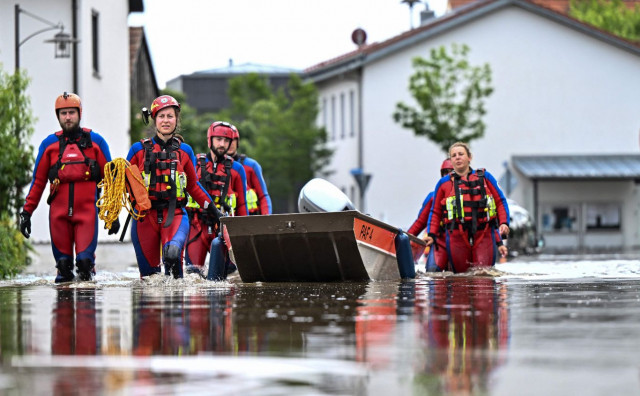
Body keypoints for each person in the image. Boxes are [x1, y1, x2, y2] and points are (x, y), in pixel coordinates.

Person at [19, 92, 117, 283]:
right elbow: (38, 182)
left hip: (86, 215)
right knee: (64, 269)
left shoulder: (96, 142)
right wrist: (26, 212)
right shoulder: (49, 145)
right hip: (59, 218)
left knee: (85, 264)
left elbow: (112, 181)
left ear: (79, 114)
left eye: (71, 112)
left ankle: (86, 307)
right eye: (63, 113)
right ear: (58, 116)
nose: (68, 117)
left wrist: (113, 215)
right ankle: (63, 309)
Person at [126, 95, 219, 279]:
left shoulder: (185, 151)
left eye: (170, 116)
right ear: (154, 119)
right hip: (144, 218)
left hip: (175, 215)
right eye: (161, 116)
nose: (166, 121)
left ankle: (176, 305)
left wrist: (214, 210)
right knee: (149, 279)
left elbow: (193, 186)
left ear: (176, 119)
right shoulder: (137, 150)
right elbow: (124, 186)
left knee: (173, 254)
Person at [424, 142, 509, 272]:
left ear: (469, 157)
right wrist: (431, 234)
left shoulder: (485, 177)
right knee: (460, 280)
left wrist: (504, 223)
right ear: (451, 161)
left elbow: (500, 201)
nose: (457, 157)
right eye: (454, 155)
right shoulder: (443, 184)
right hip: (456, 235)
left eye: (461, 154)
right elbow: (435, 212)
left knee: (483, 277)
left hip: (484, 234)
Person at [185, 121, 248, 276]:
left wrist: (243, 235)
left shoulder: (237, 169)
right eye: (218, 139)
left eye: (226, 141)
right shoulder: (194, 163)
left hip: (222, 229)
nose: (222, 144)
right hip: (196, 226)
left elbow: (242, 206)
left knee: (224, 277)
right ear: (209, 140)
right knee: (193, 275)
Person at [407, 159, 453, 272]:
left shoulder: (468, 195)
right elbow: (420, 223)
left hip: (461, 245)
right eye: (445, 172)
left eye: (451, 172)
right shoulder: (433, 198)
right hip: (439, 242)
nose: (448, 176)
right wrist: (404, 239)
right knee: (432, 272)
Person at [226, 127, 272, 215]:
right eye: (227, 140)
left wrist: (266, 219)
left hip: (250, 220)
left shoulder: (251, 165)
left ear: (238, 142)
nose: (231, 144)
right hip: (225, 220)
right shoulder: (214, 167)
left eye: (234, 140)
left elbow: (263, 196)